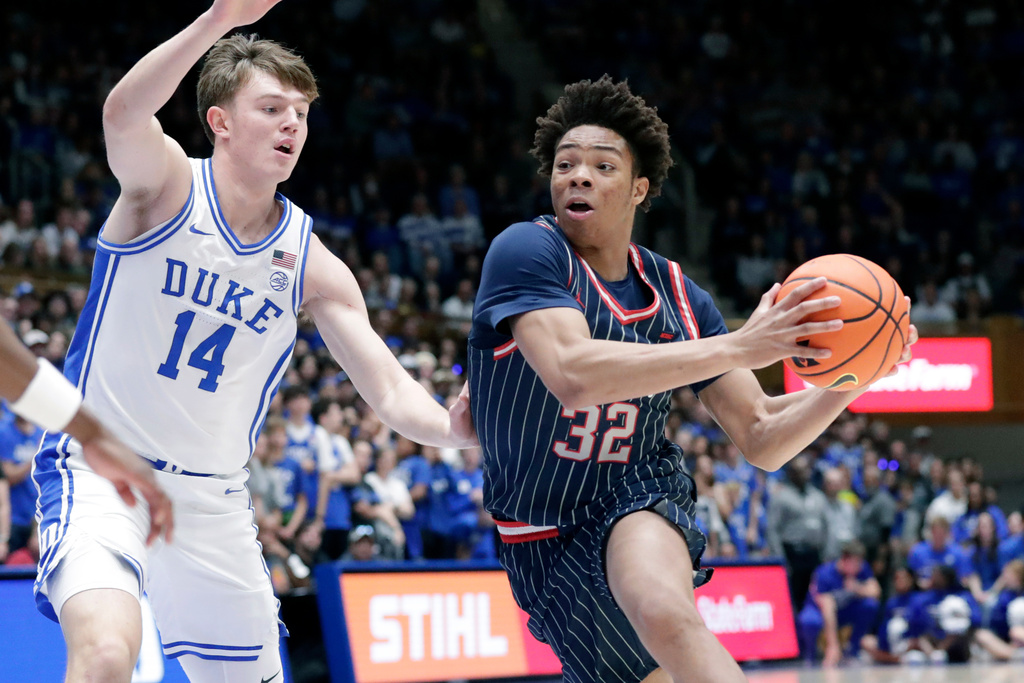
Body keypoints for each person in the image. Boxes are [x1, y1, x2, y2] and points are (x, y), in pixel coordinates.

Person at [32, 3, 477, 681]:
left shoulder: (311, 262)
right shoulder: (166, 186)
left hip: (212, 501)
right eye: (272, 108)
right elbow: (122, 114)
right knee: (104, 654)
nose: (292, 123)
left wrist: (455, 428)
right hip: (103, 469)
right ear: (221, 122)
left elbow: (389, 390)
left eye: (300, 111)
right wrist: (218, 18)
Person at [467, 76, 918, 683]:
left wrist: (856, 376)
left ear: (639, 189)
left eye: (603, 166)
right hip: (540, 534)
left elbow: (761, 435)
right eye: (566, 164)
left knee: (665, 612)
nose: (578, 176)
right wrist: (738, 345)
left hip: (633, 490)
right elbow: (571, 374)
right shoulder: (525, 251)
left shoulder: (679, 295)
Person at [0, 311, 171, 559]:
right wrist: (94, 435)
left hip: (34, 513)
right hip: (18, 516)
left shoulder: (41, 424)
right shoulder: (7, 428)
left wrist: (93, 435)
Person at [795, 540, 881, 667]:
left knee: (870, 606)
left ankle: (853, 650)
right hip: (819, 610)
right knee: (808, 621)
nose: (859, 567)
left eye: (860, 563)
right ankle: (811, 656)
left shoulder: (862, 568)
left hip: (843, 611)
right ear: (845, 560)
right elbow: (827, 608)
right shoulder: (824, 573)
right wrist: (833, 646)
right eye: (855, 563)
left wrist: (857, 588)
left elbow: (876, 591)